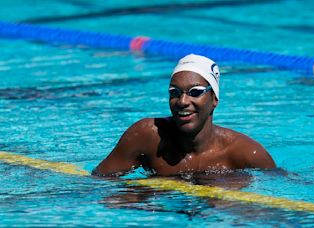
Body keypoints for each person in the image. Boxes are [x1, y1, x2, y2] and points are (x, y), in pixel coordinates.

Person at [92, 54, 276, 177]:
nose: (182, 101)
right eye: (174, 92)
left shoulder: (245, 154)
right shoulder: (147, 136)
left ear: (214, 99)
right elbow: (99, 184)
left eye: (195, 92)